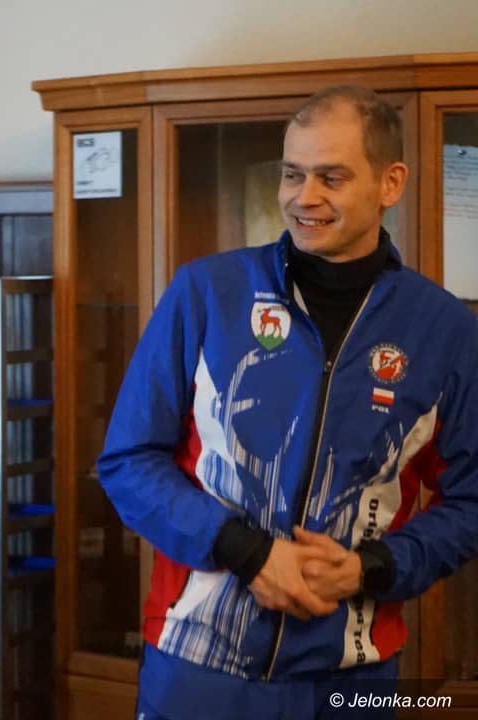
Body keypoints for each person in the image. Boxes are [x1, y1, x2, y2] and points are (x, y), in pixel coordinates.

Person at [98, 85, 478, 719]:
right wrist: (247, 552)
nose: (304, 197)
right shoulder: (206, 293)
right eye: (292, 174)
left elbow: (471, 501)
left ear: (390, 183)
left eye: (332, 177)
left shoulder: (445, 330)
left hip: (352, 680)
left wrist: (372, 567)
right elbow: (128, 461)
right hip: (196, 665)